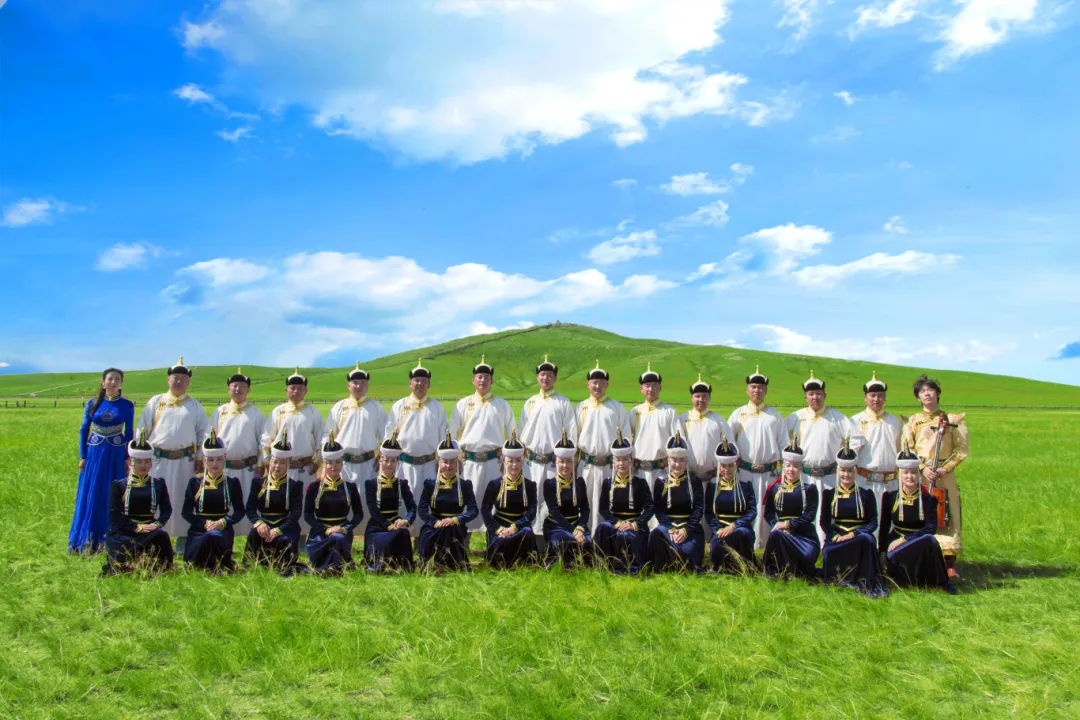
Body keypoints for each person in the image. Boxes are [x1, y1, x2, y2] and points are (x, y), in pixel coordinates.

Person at [136, 357, 209, 546]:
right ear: (168, 379)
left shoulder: (194, 405)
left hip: (186, 461)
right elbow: (142, 430)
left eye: (183, 378)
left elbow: (203, 433)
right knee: (156, 499)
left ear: (188, 382)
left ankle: (183, 542)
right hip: (158, 460)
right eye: (175, 377)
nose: (179, 381)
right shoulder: (156, 402)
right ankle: (155, 540)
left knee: (184, 500)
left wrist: (200, 457)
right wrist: (140, 457)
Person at [786, 371, 864, 545]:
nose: (815, 397)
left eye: (818, 394)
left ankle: (828, 544)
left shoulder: (837, 417)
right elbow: (784, 441)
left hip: (829, 475)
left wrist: (844, 459)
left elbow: (857, 439)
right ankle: (803, 545)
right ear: (805, 397)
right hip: (804, 475)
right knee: (804, 510)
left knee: (827, 511)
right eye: (811, 394)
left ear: (824, 395)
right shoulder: (795, 418)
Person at [904, 374, 968, 580]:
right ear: (918, 397)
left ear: (938, 393)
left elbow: (960, 450)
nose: (927, 394)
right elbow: (908, 448)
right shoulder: (913, 421)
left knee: (948, 512)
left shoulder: (952, 420)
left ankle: (950, 562)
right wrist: (923, 468)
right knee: (922, 511)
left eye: (930, 390)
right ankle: (923, 557)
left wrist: (944, 468)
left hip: (944, 473)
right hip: (921, 474)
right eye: (922, 392)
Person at [71, 367, 134, 554]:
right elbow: (84, 430)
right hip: (95, 453)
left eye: (117, 379)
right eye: (110, 379)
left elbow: (129, 433)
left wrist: (127, 457)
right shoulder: (93, 403)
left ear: (121, 384)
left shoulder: (127, 405)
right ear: (103, 382)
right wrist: (83, 456)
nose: (113, 382)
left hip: (116, 453)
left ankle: (111, 538)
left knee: (113, 492)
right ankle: (89, 538)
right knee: (93, 490)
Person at [450, 356, 516, 532]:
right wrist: (455, 458)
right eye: (479, 377)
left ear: (492, 381)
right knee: (466, 504)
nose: (483, 380)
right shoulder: (463, 404)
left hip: (494, 462)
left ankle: (493, 540)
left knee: (493, 504)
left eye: (487, 377)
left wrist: (509, 460)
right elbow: (452, 435)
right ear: (473, 380)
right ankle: (463, 541)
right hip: (468, 463)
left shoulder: (502, 405)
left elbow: (513, 435)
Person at [879, 446, 957, 594]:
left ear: (918, 475)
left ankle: (943, 583)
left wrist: (905, 539)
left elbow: (931, 528)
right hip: (896, 546)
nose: (910, 476)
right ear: (900, 474)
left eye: (913, 472)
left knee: (930, 539)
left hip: (919, 543)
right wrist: (882, 553)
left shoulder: (928, 499)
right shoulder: (890, 497)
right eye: (906, 473)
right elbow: (884, 527)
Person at [728, 365, 787, 551]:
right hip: (744, 473)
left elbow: (784, 445)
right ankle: (744, 550)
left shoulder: (774, 416)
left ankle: (768, 550)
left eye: (761, 387)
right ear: (747, 389)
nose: (757, 390)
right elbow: (729, 445)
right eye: (753, 387)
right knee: (745, 510)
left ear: (766, 390)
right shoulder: (738, 415)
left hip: (769, 474)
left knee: (766, 512)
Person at [324, 362, 388, 534]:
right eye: (355, 383)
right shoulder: (339, 407)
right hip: (343, 464)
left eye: (362, 383)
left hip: (368, 464)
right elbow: (328, 434)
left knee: (369, 502)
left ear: (367, 385)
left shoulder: (376, 408)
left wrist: (382, 456)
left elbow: (385, 435)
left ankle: (369, 538)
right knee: (343, 501)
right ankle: (343, 539)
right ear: (349, 385)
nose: (359, 386)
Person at [385, 360, 447, 534]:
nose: (420, 383)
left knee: (427, 503)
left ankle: (424, 541)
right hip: (404, 464)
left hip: (429, 464)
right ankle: (402, 538)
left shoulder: (437, 407)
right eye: (416, 380)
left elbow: (443, 437)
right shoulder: (399, 406)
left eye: (424, 381)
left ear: (429, 384)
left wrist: (442, 461)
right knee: (403, 502)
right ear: (410, 383)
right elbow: (389, 435)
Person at [518, 355, 577, 537]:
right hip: (531, 462)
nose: (546, 378)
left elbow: (571, 432)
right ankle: (529, 539)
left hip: (553, 462)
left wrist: (569, 459)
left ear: (555, 378)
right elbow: (521, 432)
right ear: (537, 377)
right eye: (542, 374)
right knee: (530, 499)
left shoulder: (563, 402)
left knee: (551, 501)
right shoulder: (530, 402)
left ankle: (549, 539)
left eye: (550, 375)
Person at [819, 440, 887, 597]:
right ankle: (838, 581)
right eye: (843, 470)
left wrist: (854, 534)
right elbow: (824, 521)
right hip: (838, 535)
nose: (846, 475)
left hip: (859, 535)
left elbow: (873, 522)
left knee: (867, 540)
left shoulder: (866, 494)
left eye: (850, 471)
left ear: (855, 472)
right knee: (829, 550)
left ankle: (863, 581)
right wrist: (833, 535)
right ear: (838, 471)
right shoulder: (829, 494)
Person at [101, 431, 174, 576]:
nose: (143, 465)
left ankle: (158, 567)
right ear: (130, 463)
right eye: (139, 461)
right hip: (125, 531)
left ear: (151, 463)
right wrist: (137, 527)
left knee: (161, 536)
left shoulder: (158, 484)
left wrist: (157, 524)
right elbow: (115, 516)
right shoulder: (119, 485)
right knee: (122, 548)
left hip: (150, 530)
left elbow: (167, 510)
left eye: (147, 461)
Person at [261, 368, 324, 535]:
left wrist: (317, 461)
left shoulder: (312, 412)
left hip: (305, 467)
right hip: (281, 468)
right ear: (286, 390)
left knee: (304, 503)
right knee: (282, 502)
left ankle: (302, 540)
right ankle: (279, 538)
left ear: (306, 390)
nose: (296, 391)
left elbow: (320, 438)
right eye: (292, 388)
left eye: (300, 388)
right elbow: (267, 437)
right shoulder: (278, 411)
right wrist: (266, 461)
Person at [576, 361, 631, 531]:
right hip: (586, 466)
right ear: (588, 384)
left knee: (609, 504)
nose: (597, 386)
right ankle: (585, 538)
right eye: (594, 382)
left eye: (601, 382)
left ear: (607, 385)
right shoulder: (581, 407)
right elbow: (573, 437)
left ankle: (607, 539)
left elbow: (626, 437)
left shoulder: (616, 407)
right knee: (584, 503)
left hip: (610, 466)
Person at [180, 428, 245, 573]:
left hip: (222, 528)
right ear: (204, 461)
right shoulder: (195, 483)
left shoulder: (232, 483)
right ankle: (199, 565)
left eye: (219, 459)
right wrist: (204, 523)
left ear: (224, 459)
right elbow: (186, 512)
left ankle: (219, 566)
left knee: (214, 536)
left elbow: (240, 511)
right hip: (200, 528)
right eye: (210, 459)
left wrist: (224, 522)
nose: (215, 463)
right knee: (208, 535)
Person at [209, 368, 263, 539]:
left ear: (248, 389)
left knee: (247, 502)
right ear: (228, 389)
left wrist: (261, 463)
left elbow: (262, 440)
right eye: (234, 386)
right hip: (224, 468)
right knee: (225, 502)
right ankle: (223, 538)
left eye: (242, 386)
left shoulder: (255, 412)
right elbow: (210, 438)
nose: (238, 389)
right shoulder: (220, 411)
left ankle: (250, 540)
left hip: (248, 468)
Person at [244, 432, 306, 576]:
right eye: (274, 461)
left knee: (285, 540)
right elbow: (250, 508)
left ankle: (282, 567)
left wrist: (279, 529)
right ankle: (255, 567)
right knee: (255, 534)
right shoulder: (258, 483)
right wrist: (258, 523)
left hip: (286, 525)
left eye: (282, 463)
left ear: (288, 464)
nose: (277, 466)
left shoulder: (295, 485)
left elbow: (296, 513)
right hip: (264, 524)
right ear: (270, 462)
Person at [851, 372, 903, 541]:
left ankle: (886, 554)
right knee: (867, 521)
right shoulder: (855, 421)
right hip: (865, 481)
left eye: (880, 396)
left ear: (885, 398)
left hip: (890, 482)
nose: (876, 399)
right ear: (865, 398)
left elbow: (900, 450)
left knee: (890, 523)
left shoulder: (894, 422)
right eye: (872, 395)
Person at [594, 428, 654, 575]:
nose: (621, 463)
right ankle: (603, 565)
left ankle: (626, 569)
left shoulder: (640, 483)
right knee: (602, 527)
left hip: (634, 524)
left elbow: (650, 508)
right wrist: (617, 522)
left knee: (624, 535)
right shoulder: (608, 483)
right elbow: (603, 509)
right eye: (618, 460)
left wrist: (635, 524)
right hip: (616, 523)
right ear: (613, 462)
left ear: (631, 461)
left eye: (624, 459)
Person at [681, 373, 734, 536]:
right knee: (691, 511)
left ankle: (713, 541)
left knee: (712, 511)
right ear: (691, 398)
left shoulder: (718, 421)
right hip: (690, 477)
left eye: (704, 396)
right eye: (697, 396)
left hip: (713, 478)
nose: (701, 400)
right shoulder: (683, 419)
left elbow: (729, 447)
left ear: (709, 398)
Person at [304, 433, 364, 575]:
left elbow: (358, 514)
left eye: (337, 462)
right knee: (335, 538)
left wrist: (346, 528)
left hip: (342, 532)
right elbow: (307, 515)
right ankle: (336, 565)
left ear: (342, 463)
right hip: (319, 535)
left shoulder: (350, 487)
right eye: (329, 463)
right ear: (324, 464)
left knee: (338, 538)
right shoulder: (314, 487)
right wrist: (326, 530)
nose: (333, 466)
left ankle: (332, 567)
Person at [417, 432, 479, 571]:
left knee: (449, 530)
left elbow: (473, 510)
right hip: (434, 525)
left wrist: (455, 520)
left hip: (455, 525)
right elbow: (422, 510)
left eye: (452, 462)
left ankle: (443, 565)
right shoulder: (430, 484)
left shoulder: (465, 485)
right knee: (440, 531)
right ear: (439, 463)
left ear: (458, 463)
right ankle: (437, 564)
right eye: (445, 462)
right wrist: (435, 522)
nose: (449, 465)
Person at [762, 435, 820, 581]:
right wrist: (777, 525)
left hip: (804, 536)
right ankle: (776, 572)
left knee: (806, 556)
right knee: (776, 534)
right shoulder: (775, 489)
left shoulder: (809, 489)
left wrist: (788, 524)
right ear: (783, 466)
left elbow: (810, 515)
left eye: (795, 466)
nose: (791, 469)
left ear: (801, 468)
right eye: (788, 465)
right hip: (781, 534)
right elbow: (768, 513)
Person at [480, 430, 539, 568]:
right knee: (500, 540)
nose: (514, 465)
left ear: (522, 462)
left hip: (520, 525)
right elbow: (485, 509)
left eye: (518, 461)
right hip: (499, 524)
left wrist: (514, 527)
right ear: (504, 461)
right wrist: (497, 528)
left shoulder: (529, 485)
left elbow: (531, 511)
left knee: (527, 534)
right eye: (510, 461)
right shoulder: (495, 484)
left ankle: (522, 564)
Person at [648, 432, 705, 573]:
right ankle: (662, 568)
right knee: (655, 535)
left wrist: (686, 530)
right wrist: (671, 529)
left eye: (681, 460)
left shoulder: (695, 482)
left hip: (690, 528)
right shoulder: (661, 483)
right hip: (668, 527)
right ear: (668, 460)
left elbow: (698, 509)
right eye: (674, 460)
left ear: (686, 461)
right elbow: (659, 510)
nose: (677, 464)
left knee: (689, 549)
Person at [363, 432, 417, 572]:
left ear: (397, 462)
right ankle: (380, 564)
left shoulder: (401, 484)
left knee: (403, 532)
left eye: (393, 461)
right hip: (377, 525)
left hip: (396, 522)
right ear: (380, 460)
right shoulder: (371, 484)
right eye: (386, 460)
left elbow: (412, 507)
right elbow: (373, 510)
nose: (389, 464)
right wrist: (388, 525)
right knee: (392, 536)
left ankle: (401, 565)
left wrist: (405, 521)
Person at [630, 363, 684, 498]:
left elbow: (678, 442)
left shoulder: (669, 411)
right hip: (639, 471)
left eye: (654, 386)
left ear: (660, 388)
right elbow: (628, 440)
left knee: (660, 506)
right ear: (641, 388)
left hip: (662, 470)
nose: (651, 389)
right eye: (647, 386)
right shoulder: (635, 412)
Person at [704, 437, 757, 573]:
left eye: (730, 466)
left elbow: (752, 512)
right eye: (723, 466)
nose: (726, 470)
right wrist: (717, 529)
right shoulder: (713, 487)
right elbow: (709, 512)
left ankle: (743, 568)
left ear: (736, 465)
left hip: (741, 528)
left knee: (740, 535)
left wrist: (734, 526)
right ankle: (720, 568)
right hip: (721, 528)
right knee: (717, 543)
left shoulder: (745, 485)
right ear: (719, 466)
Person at [543, 430, 594, 568]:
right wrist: (573, 531)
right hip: (555, 525)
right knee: (565, 541)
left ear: (574, 462)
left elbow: (585, 509)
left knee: (587, 543)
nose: (565, 466)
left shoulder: (579, 483)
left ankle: (580, 567)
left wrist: (580, 527)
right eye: (562, 462)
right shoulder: (549, 484)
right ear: (556, 461)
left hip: (576, 524)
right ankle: (562, 567)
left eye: (569, 462)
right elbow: (554, 511)